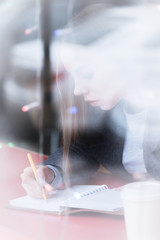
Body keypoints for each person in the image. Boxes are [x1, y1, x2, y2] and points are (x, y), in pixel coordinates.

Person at [21, 3, 160, 198]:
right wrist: (51, 172)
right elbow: (85, 150)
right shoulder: (114, 111)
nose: (78, 89)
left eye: (86, 72)